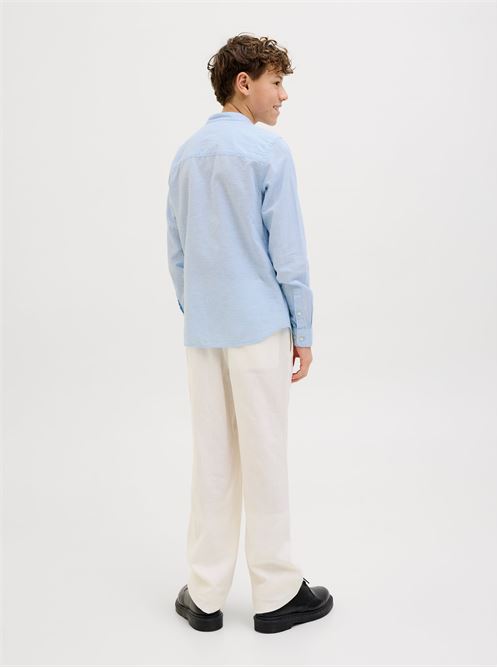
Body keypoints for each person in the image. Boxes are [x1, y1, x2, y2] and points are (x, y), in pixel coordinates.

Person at [166, 33, 333, 633]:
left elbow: (177, 253)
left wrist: (199, 309)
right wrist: (302, 329)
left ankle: (205, 595)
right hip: (259, 326)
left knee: (211, 457)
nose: (283, 95)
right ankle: (277, 594)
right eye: (275, 82)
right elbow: (288, 252)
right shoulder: (268, 151)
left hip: (205, 331)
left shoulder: (186, 154)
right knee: (264, 455)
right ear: (244, 83)